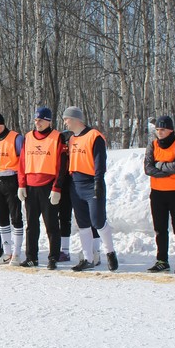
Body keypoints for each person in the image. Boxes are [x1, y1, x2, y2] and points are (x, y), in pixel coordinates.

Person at [62, 107, 118, 272]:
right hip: (76, 183)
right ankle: (87, 258)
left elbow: (100, 160)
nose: (65, 122)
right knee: (83, 223)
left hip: (91, 182)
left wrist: (98, 181)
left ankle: (110, 252)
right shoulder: (71, 139)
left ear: (75, 119)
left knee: (98, 221)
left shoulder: (94, 136)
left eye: (67, 119)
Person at [17, 107, 68, 268]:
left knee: (52, 225)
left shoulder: (57, 137)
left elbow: (62, 165)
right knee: (31, 225)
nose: (37, 123)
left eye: (40, 120)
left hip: (48, 186)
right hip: (31, 187)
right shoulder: (28, 137)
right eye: (36, 120)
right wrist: (21, 184)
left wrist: (57, 187)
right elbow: (22, 163)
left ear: (48, 121)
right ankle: (31, 257)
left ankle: (53, 257)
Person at [143, 116, 175, 273]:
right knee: (160, 229)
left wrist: (159, 166)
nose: (159, 132)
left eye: (162, 129)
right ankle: (162, 259)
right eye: (157, 130)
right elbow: (148, 168)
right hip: (157, 193)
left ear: (171, 130)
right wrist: (163, 172)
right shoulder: (153, 144)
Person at [0, 112, 24, 265]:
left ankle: (16, 253)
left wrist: (22, 183)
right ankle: (7, 252)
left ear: (0, 124)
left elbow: (23, 160)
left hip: (11, 178)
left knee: (15, 216)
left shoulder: (16, 138)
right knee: (1, 217)